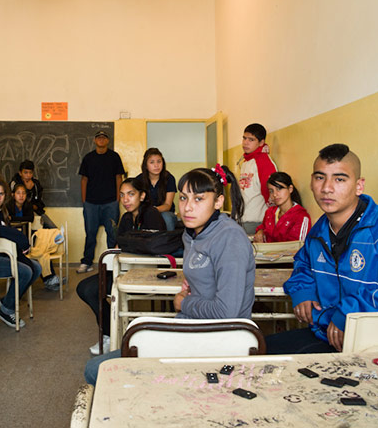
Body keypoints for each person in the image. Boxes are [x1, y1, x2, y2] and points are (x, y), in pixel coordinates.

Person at [84, 164, 254, 384]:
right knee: (131, 338)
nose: (187, 208)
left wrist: (184, 303)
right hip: (192, 327)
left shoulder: (229, 238)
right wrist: (192, 289)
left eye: (199, 199)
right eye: (183, 198)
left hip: (218, 338)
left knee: (96, 369)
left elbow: (226, 312)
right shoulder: (191, 233)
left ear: (218, 202)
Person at [266, 144, 378, 354]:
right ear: (311, 182)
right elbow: (304, 263)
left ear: (359, 186)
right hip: (329, 336)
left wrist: (352, 311)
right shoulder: (319, 231)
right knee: (257, 352)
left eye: (339, 179)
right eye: (320, 178)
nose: (327, 188)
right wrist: (302, 289)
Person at [77, 177, 166, 355]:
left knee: (92, 289)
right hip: (124, 271)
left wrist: (128, 244)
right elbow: (120, 248)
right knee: (84, 288)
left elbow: (154, 247)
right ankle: (110, 333)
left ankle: (115, 332)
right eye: (122, 195)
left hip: (146, 274)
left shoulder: (151, 214)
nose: (125, 199)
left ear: (142, 196)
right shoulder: (126, 218)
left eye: (131, 194)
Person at [0, 176, 51, 328]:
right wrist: (21, 238)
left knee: (37, 267)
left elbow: (3, 231)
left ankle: (7, 302)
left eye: (1, 194)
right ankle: (7, 309)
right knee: (25, 271)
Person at [77, 130, 125, 274]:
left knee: (112, 234)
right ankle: (87, 262)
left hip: (111, 202)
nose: (101, 140)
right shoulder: (88, 158)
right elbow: (84, 180)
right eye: (99, 137)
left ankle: (113, 263)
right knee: (90, 234)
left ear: (107, 141)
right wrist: (84, 201)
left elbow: (119, 178)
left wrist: (118, 199)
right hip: (91, 203)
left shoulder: (114, 157)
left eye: (104, 138)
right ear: (94, 140)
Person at [237, 123, 278, 235]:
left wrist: (266, 223)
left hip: (256, 221)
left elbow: (271, 195)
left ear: (261, 142)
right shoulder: (246, 161)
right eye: (244, 138)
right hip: (243, 220)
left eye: (251, 139)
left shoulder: (263, 162)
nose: (245, 142)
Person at [253, 172, 310, 243]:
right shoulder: (269, 212)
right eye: (271, 191)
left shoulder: (301, 217)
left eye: (279, 189)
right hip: (265, 253)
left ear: (290, 189)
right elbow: (263, 227)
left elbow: (297, 247)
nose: (275, 194)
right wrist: (260, 231)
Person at [135, 147, 178, 230]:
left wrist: (151, 211)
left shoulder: (169, 178)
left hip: (164, 212)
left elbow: (167, 205)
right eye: (152, 162)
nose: (156, 165)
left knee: (167, 218)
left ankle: (167, 241)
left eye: (159, 161)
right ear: (146, 165)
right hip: (145, 212)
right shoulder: (139, 180)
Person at [10, 160, 56, 228]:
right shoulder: (14, 184)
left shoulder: (36, 184)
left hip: (35, 211)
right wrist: (27, 189)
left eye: (30, 173)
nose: (28, 175)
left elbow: (39, 201)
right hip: (20, 212)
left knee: (51, 226)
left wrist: (36, 206)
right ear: (20, 173)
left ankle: (58, 236)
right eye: (25, 173)